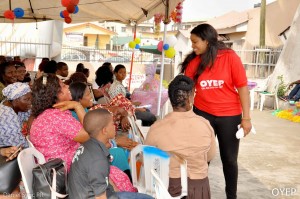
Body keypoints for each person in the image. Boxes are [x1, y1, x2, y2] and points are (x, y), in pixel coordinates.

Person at [180, 24, 252, 199]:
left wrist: (247, 118)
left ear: (206, 40)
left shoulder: (229, 57)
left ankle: (231, 196)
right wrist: (185, 114)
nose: (192, 45)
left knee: (229, 159)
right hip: (203, 114)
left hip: (230, 116)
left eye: (195, 42)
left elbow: (242, 87)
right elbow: (187, 89)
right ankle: (196, 194)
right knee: (202, 158)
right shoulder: (194, 62)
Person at [145, 75, 216, 199]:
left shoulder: (157, 127)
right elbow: (210, 156)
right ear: (190, 98)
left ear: (170, 99)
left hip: (168, 188)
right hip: (198, 187)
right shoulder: (204, 124)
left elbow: (146, 157)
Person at [68, 108, 153, 199]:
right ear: (104, 131)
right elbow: (100, 197)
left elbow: (105, 178)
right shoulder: (97, 160)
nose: (115, 126)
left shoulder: (89, 145)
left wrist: (118, 193)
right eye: (112, 124)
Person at [30, 74, 89, 171]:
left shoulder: (47, 114)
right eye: (63, 85)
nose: (68, 86)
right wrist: (78, 106)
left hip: (56, 166)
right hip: (65, 169)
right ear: (54, 94)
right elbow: (89, 136)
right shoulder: (55, 117)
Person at [0, 82, 31, 148]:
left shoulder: (13, 105)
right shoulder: (7, 117)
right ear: (16, 100)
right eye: (27, 99)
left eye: (30, 99)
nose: (30, 102)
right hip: (7, 152)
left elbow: (32, 114)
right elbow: (18, 145)